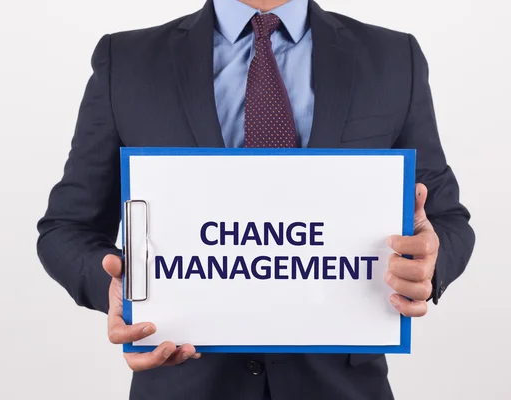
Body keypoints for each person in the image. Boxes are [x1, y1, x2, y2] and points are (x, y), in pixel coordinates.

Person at [36, 0, 475, 399]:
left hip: (340, 388)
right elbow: (66, 229)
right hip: (184, 381)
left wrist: (430, 260)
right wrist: (118, 288)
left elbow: (445, 218)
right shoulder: (128, 61)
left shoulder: (392, 58)